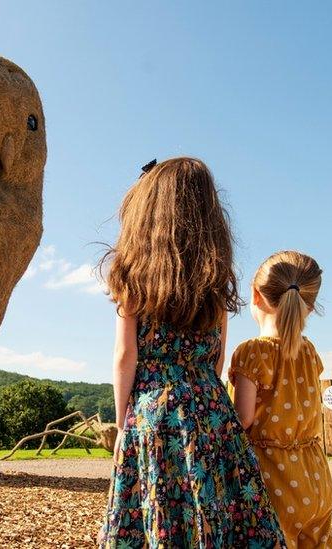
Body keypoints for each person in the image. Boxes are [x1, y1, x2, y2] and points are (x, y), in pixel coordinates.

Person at [98, 157, 284, 548]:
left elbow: (124, 357)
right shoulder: (214, 281)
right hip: (211, 409)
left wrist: (121, 424)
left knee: (159, 509)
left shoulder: (133, 278)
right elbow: (217, 357)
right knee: (219, 509)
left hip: (154, 411)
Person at [230, 251, 332, 548]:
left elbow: (244, 419)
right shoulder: (309, 352)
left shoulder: (252, 352)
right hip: (315, 477)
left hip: (273, 479)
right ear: (310, 306)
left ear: (255, 294)